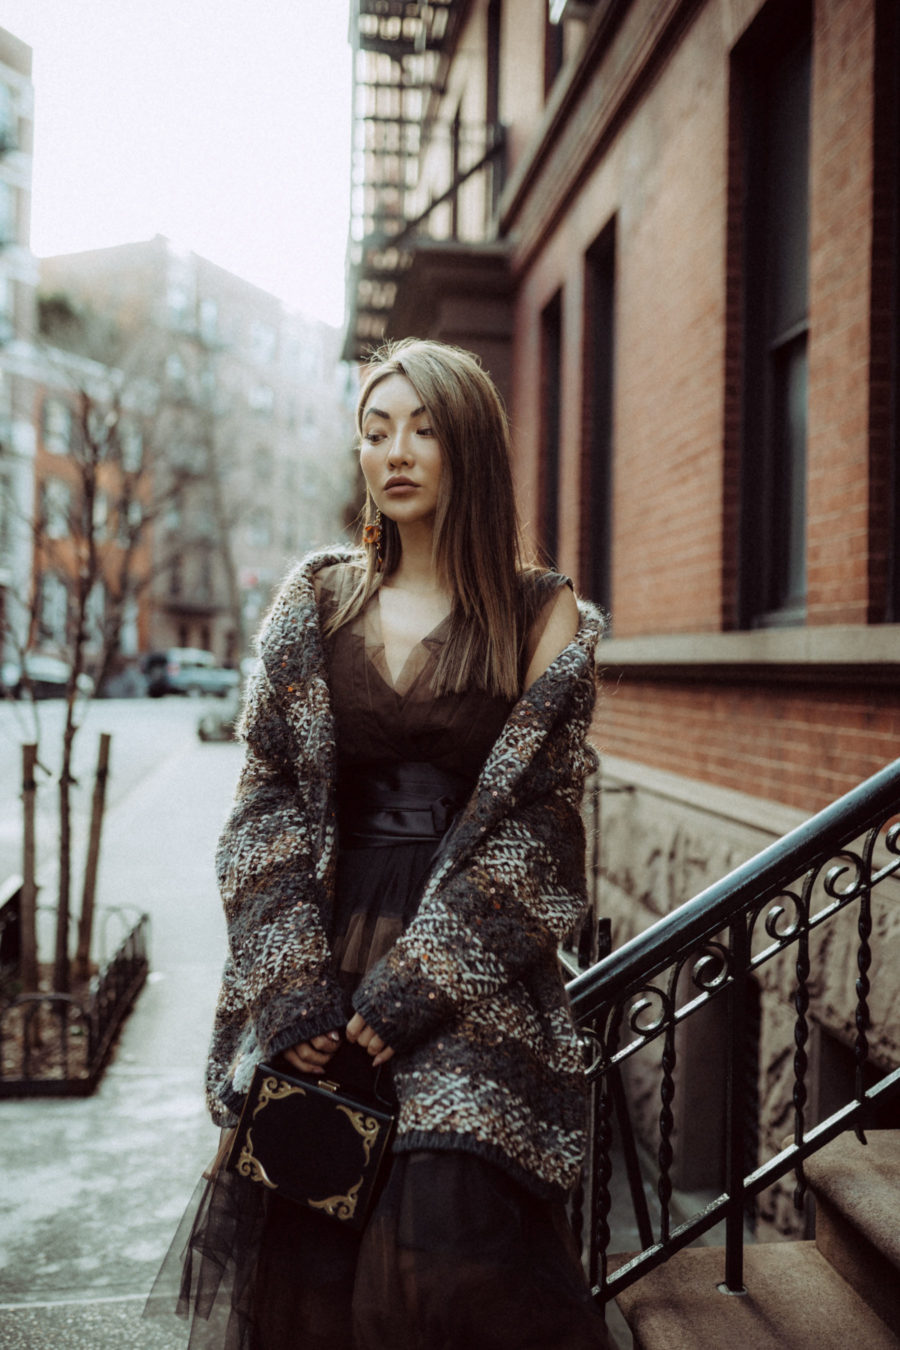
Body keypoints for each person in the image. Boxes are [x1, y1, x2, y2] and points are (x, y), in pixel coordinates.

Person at [147, 338, 608, 1349]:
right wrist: (289, 986)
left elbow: (545, 832)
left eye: (425, 429)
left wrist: (415, 991)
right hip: (322, 950)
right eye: (376, 429)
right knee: (309, 1246)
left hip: (466, 979)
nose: (396, 451)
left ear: (470, 447)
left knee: (446, 1246)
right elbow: (264, 799)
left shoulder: (541, 610)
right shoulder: (317, 602)